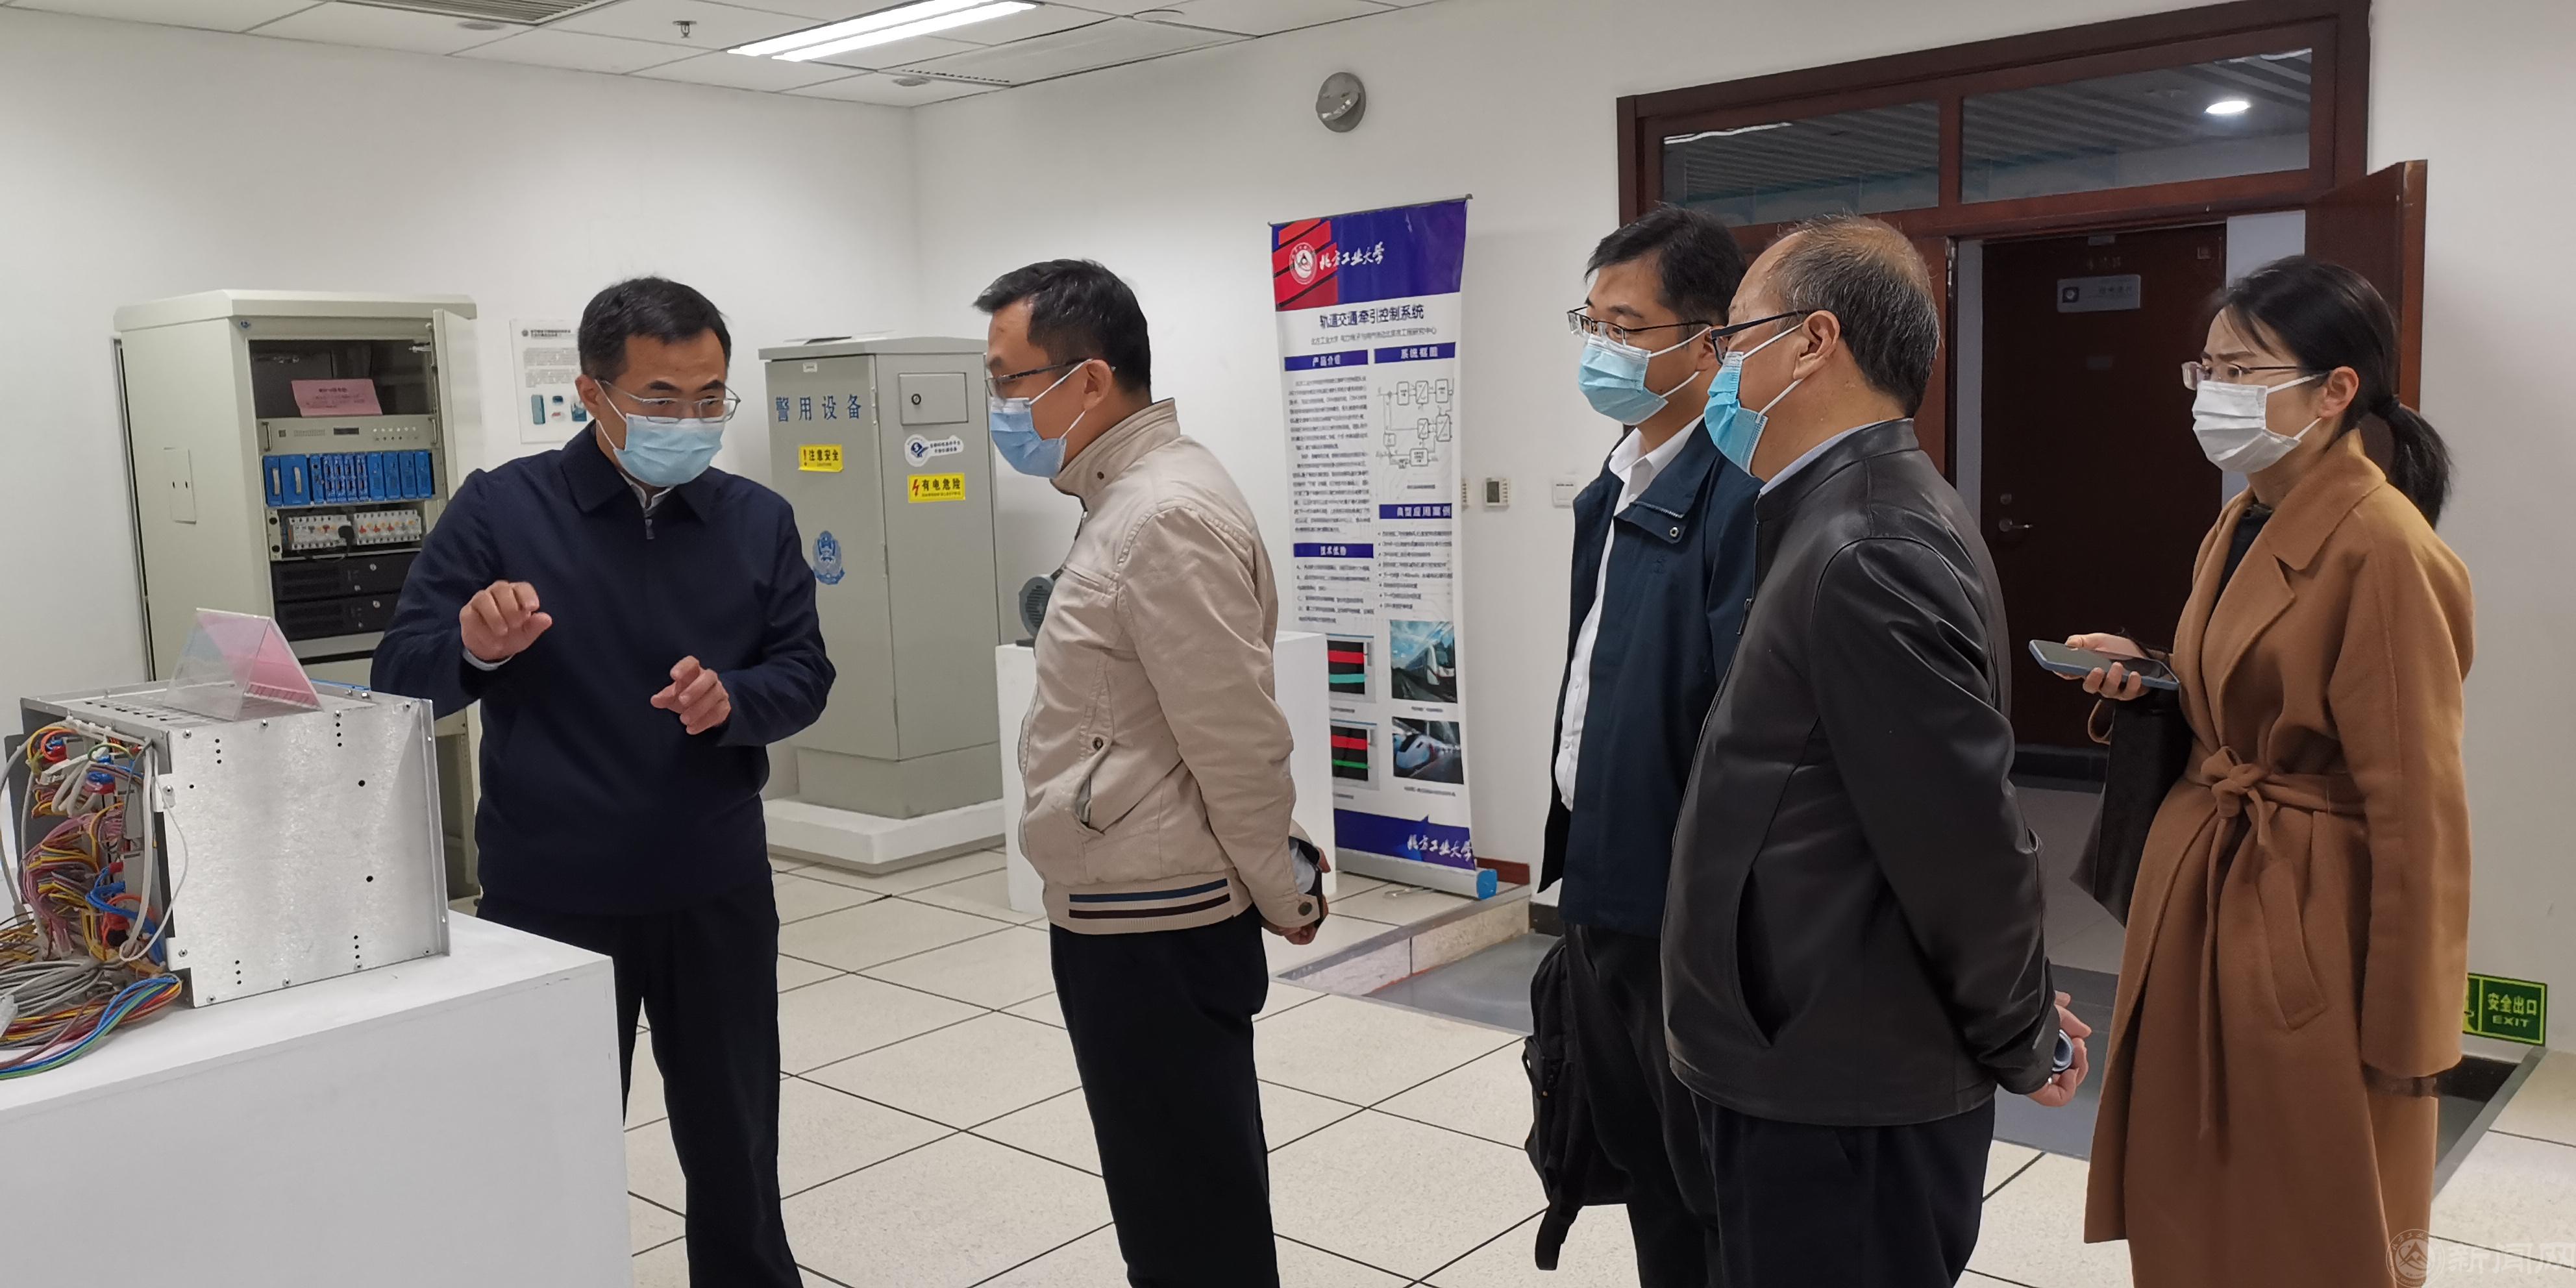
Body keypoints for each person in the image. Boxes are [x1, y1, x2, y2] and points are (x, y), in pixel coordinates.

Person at [373, 277, 831, 1287]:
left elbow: (805, 673)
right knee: (546, 1146)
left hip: (714, 886)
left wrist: (735, 699)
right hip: (552, 895)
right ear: (592, 392)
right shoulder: (503, 507)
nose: (690, 420)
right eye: (661, 398)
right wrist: (474, 647)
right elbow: (399, 676)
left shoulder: (756, 520)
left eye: (710, 397)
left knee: (738, 1149)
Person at [1661, 214, 2088, 1288]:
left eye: (1734, 335)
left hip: (1839, 1088)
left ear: (1814, 341)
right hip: (1811, 1048)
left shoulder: (1868, 545)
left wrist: (2022, 1031)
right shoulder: (1833, 513)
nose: (1718, 365)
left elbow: (1964, 846)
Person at [2071, 256, 2472, 1288]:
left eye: (2242, 371)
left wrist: (2414, 1025)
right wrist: (2157, 680)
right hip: (2207, 886)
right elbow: (2255, 680)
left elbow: (2420, 808)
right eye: (2206, 368)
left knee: (2305, 1202)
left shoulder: (2384, 547)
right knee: (2197, 1178)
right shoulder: (2246, 515)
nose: (2214, 393)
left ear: (2336, 390)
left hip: (2307, 911)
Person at [981, 259, 1325, 1287]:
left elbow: (1234, 734)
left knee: (1188, 1212)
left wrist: (1285, 889)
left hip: (1158, 923)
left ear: (1087, 380)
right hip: (1126, 902)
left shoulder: (1159, 514)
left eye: (1009, 381)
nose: (1000, 408)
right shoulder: (1125, 494)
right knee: (1173, 1192)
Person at [1546, 203, 1759, 1286]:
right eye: (1591, 322)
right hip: (1602, 876)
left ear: (1712, 342)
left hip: (1679, 902)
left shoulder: (1738, 494)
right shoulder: (1618, 480)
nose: (1602, 349)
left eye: (1627, 328)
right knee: (1641, 1162)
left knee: (1705, 1179)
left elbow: (1739, 727)